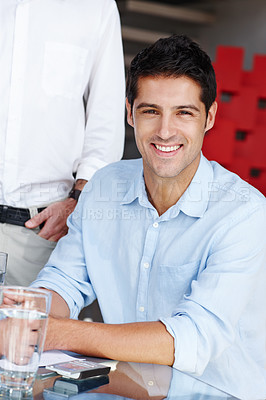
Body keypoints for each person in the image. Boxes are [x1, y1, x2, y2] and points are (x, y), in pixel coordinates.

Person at [31, 35, 266, 399]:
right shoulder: (103, 187)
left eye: (183, 113)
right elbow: (64, 281)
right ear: (130, 113)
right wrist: (24, 316)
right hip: (126, 385)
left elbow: (193, 338)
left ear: (210, 117)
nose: (165, 131)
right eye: (150, 111)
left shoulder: (244, 214)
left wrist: (55, 333)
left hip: (214, 391)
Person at [0, 0, 125, 286]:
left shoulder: (97, 7)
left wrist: (77, 202)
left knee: (33, 331)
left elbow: (105, 120)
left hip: (42, 235)